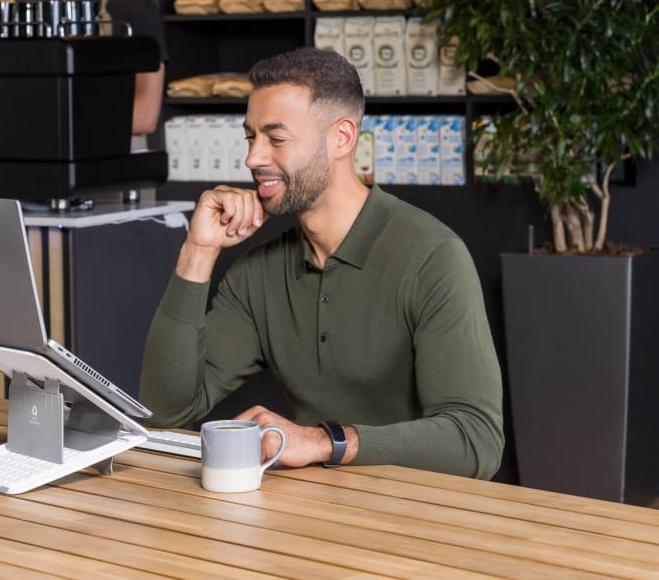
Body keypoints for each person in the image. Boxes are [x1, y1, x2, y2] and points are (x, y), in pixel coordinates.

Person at [139, 47, 504, 479]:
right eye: (250, 137)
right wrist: (198, 251)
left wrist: (320, 441)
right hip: (311, 516)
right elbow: (165, 410)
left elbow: (476, 440)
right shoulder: (258, 273)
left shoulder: (433, 256)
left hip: (420, 519)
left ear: (342, 138)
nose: (252, 158)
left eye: (276, 138)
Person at [21, 0, 166, 138]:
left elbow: (145, 117)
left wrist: (61, 122)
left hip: (120, 158)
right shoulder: (47, 16)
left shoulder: (136, 11)